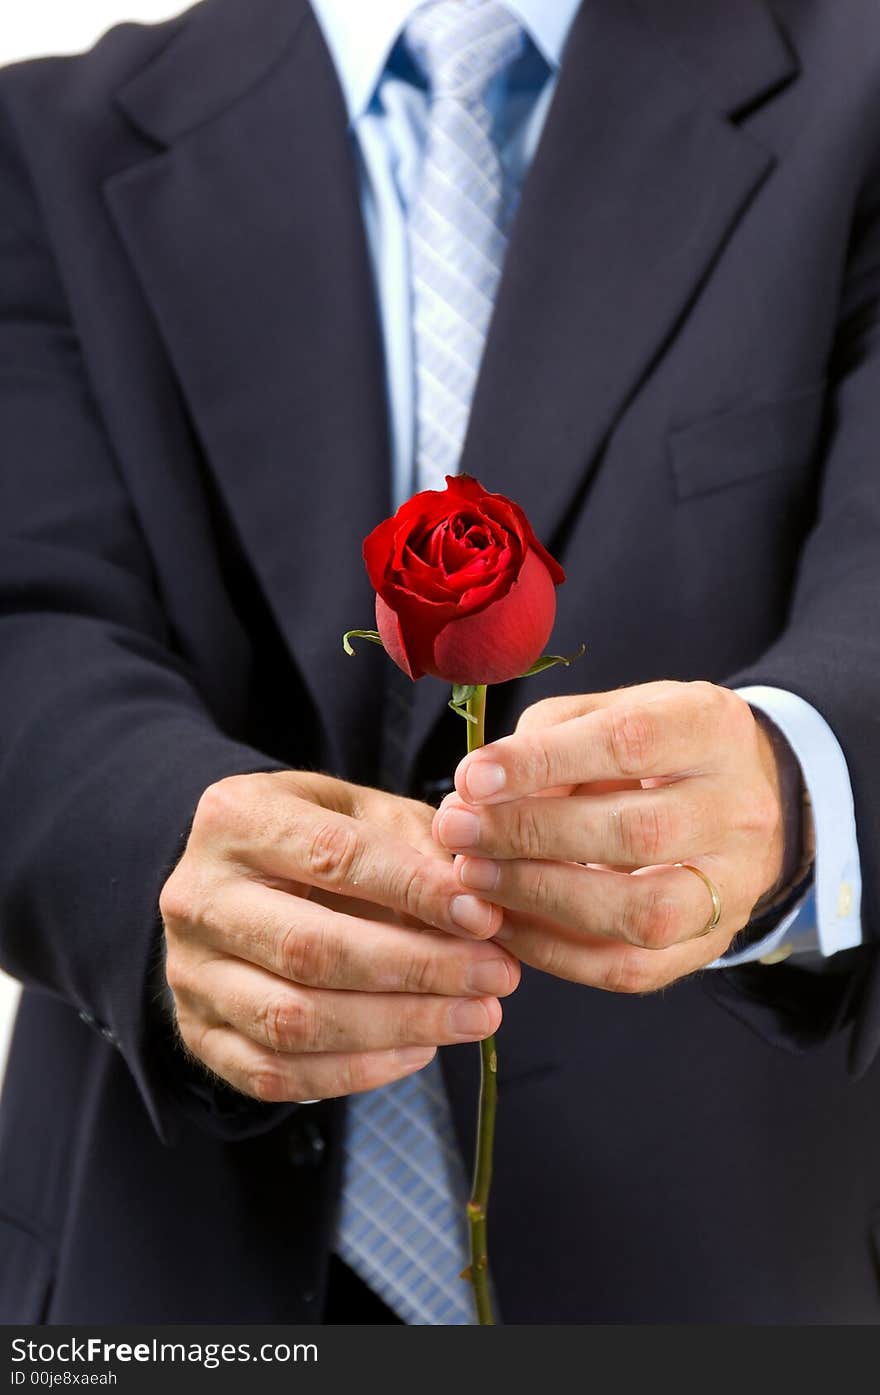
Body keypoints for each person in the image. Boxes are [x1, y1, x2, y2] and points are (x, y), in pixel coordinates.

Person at [0, 0, 879, 1325]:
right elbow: (23, 615)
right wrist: (152, 850)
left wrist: (793, 783)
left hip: (733, 1262)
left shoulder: (857, 91)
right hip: (162, 1265)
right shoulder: (42, 144)